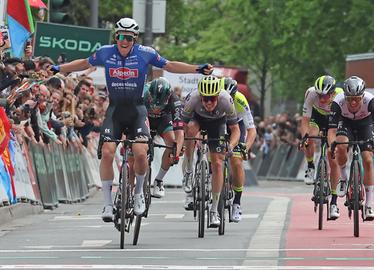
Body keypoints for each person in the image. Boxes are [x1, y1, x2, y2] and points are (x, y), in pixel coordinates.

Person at [49, 18, 213, 222]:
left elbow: (170, 65)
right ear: (116, 36)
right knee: (108, 153)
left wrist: (196, 69)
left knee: (141, 153)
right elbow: (83, 63)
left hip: (137, 111)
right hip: (115, 111)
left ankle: (137, 196)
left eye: (128, 37)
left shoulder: (146, 53)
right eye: (120, 36)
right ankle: (108, 205)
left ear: (134, 39)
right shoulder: (106, 52)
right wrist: (59, 68)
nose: (123, 41)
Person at [182, 75, 240, 228]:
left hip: (218, 123)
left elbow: (235, 130)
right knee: (190, 130)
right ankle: (188, 170)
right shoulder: (192, 99)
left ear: (217, 97)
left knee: (218, 164)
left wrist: (231, 146)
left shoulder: (226, 100)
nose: (208, 103)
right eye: (205, 99)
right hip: (197, 119)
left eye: (212, 99)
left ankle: (214, 210)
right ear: (200, 96)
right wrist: (181, 143)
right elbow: (182, 124)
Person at [327, 76, 374, 221]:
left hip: (365, 125)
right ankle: (344, 178)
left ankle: (369, 205)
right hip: (345, 124)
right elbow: (332, 131)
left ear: (363, 96)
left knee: (368, 159)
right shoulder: (337, 102)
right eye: (350, 98)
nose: (353, 102)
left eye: (357, 99)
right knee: (341, 145)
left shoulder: (371, 101)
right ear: (345, 96)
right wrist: (331, 145)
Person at [299, 75, 342, 219]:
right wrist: (304, 138)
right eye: (320, 96)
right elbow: (305, 120)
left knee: (333, 157)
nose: (322, 99)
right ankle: (311, 166)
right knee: (310, 137)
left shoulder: (341, 96)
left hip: (334, 120)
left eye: (325, 96)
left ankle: (335, 201)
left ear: (333, 93)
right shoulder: (311, 93)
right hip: (316, 118)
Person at [220, 76, 256, 222]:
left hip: (237, 126)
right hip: (219, 123)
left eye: (231, 97)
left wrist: (245, 147)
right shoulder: (213, 98)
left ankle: (237, 203)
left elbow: (251, 130)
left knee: (236, 160)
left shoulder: (240, 100)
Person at [144, 77, 184, 198]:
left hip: (163, 120)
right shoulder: (142, 92)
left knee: (172, 145)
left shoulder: (175, 100)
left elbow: (180, 133)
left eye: (160, 105)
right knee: (138, 145)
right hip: (145, 119)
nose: (156, 109)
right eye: (154, 104)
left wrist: (176, 154)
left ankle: (159, 180)